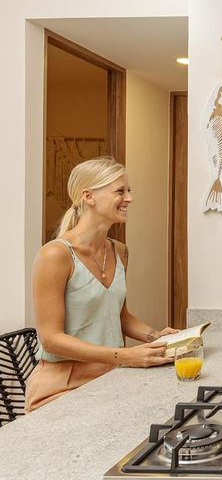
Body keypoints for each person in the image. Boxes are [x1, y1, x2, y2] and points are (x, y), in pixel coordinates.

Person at [26, 157, 178, 412]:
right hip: (62, 387)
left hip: (109, 379)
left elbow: (120, 317)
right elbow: (51, 339)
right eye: (120, 191)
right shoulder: (55, 255)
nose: (129, 198)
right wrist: (125, 356)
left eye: (129, 190)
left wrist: (156, 337)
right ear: (89, 197)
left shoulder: (120, 251)